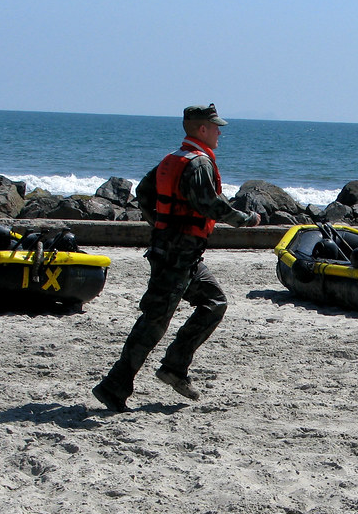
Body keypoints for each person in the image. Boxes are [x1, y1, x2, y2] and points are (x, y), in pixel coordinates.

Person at [92, 104, 260, 412]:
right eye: (216, 127)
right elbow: (209, 204)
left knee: (214, 303)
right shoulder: (198, 164)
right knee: (155, 320)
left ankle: (174, 367)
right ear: (201, 130)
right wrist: (245, 219)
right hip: (178, 254)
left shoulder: (173, 159)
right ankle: (115, 386)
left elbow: (144, 193)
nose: (220, 132)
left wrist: (160, 224)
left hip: (179, 252)